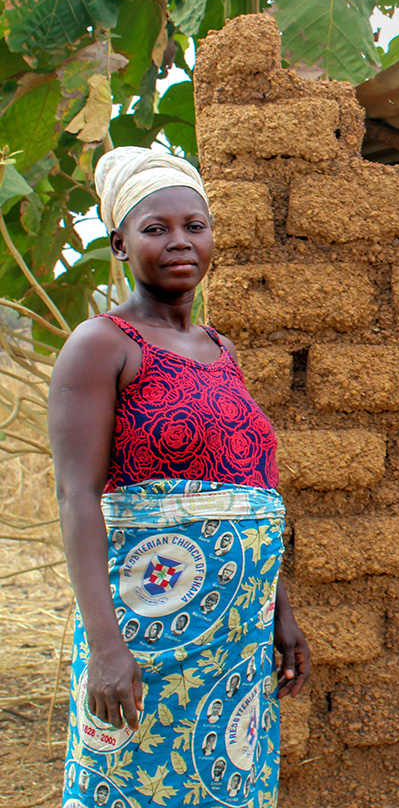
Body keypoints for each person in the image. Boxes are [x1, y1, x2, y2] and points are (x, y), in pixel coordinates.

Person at [51, 147, 310, 808]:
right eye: (155, 228)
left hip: (236, 639)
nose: (179, 242)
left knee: (224, 781)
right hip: (145, 625)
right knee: (131, 781)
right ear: (119, 243)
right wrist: (106, 649)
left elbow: (250, 489)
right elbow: (77, 496)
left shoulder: (222, 352)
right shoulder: (101, 344)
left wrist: (280, 613)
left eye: (194, 226)